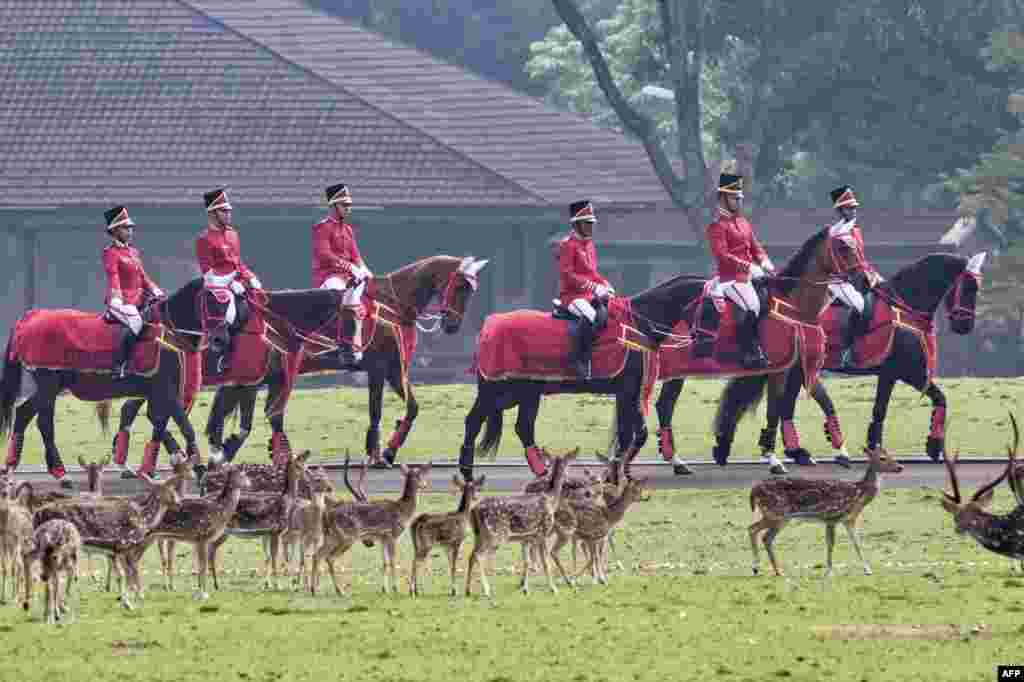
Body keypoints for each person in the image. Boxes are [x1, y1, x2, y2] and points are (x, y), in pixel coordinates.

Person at [697, 174, 774, 369]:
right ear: (723, 198)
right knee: (753, 306)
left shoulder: (744, 223)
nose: (739, 201)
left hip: (750, 275)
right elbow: (722, 256)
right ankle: (748, 352)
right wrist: (749, 267)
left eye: (740, 197)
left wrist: (764, 261)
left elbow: (756, 247)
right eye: (734, 198)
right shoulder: (717, 226)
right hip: (730, 279)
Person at [195, 188, 262, 374]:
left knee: (261, 300)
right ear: (212, 213)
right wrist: (231, 282)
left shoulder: (233, 234)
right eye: (224, 211)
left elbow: (238, 263)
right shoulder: (204, 239)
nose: (228, 214)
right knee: (231, 311)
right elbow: (208, 274)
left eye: (229, 210)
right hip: (216, 289)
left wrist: (250, 277)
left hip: (236, 283)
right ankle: (223, 356)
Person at [311, 183, 370, 367]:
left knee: (361, 307)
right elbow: (324, 255)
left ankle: (356, 348)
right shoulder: (322, 228)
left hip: (348, 276)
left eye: (349, 205)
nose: (348, 208)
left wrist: (364, 268)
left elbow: (356, 255)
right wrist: (349, 266)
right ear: (334, 206)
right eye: (345, 205)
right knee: (341, 298)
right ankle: (339, 345)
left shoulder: (348, 230)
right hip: (329, 277)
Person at [102, 206, 164, 379]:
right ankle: (118, 364)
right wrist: (116, 299)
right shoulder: (110, 253)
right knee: (136, 322)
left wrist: (156, 291)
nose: (130, 231)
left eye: (130, 228)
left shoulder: (133, 252)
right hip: (121, 301)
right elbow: (113, 276)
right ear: (114, 230)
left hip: (139, 300)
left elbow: (143, 277)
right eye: (125, 227)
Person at [826, 185, 884, 368]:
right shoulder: (836, 233)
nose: (853, 211)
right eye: (849, 208)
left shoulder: (855, 230)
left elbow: (861, 260)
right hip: (838, 281)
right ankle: (847, 352)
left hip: (857, 277)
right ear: (840, 210)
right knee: (860, 306)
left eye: (854, 207)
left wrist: (875, 275)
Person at [557, 200, 614, 379]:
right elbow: (568, 275)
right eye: (587, 223)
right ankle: (577, 360)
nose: (591, 227)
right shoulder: (567, 245)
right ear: (576, 224)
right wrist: (593, 286)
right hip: (572, 296)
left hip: (588, 294)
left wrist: (605, 284)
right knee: (591, 316)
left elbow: (593, 273)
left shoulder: (589, 245)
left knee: (609, 312)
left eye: (592, 223)